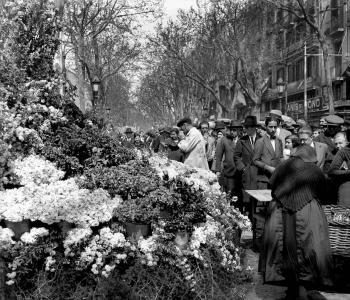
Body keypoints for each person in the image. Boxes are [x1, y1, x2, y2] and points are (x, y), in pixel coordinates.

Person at [259, 144, 333, 299]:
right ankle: (302, 291)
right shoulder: (315, 170)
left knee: (285, 250)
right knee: (308, 249)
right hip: (307, 213)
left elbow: (272, 186)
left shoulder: (283, 166)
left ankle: (291, 290)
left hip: (280, 213)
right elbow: (325, 192)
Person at [234, 116, 259, 213]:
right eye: (245, 127)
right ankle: (249, 220)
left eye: (248, 127)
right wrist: (243, 168)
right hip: (247, 175)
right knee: (247, 201)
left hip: (259, 174)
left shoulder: (262, 139)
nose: (246, 129)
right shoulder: (242, 140)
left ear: (254, 128)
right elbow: (236, 156)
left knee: (258, 200)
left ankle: (258, 224)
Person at [253, 117, 284, 189]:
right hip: (264, 179)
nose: (273, 129)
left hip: (277, 179)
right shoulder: (260, 141)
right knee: (265, 200)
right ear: (266, 127)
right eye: (270, 127)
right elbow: (255, 160)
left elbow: (281, 157)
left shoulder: (279, 141)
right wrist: (267, 167)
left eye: (275, 127)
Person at [214, 121, 238, 197]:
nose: (233, 132)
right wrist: (218, 171)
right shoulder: (224, 140)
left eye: (235, 130)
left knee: (239, 195)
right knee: (229, 194)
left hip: (241, 172)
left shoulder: (243, 140)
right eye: (232, 130)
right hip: (229, 171)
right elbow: (218, 156)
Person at [328, 129, 350, 207]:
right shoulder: (333, 155)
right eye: (336, 144)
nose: (337, 146)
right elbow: (330, 172)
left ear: (347, 142)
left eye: (340, 143)